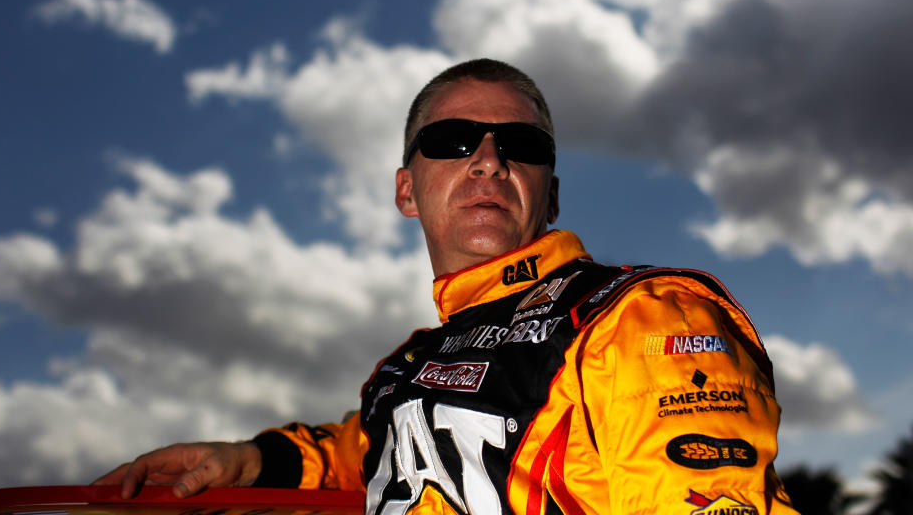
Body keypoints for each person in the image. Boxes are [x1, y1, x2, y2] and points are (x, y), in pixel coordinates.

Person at [96, 59, 798, 514]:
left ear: (549, 195)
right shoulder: (408, 367)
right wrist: (252, 461)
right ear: (407, 188)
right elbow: (369, 451)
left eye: (520, 146)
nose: (489, 161)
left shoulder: (637, 317)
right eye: (454, 141)